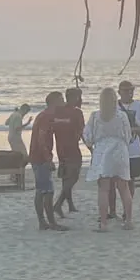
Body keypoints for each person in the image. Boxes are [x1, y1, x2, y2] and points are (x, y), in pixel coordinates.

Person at [85, 85, 134, 231]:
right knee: (124, 188)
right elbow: (128, 135)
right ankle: (129, 221)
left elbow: (88, 136)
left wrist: (93, 146)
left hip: (102, 151)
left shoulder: (95, 116)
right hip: (119, 151)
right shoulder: (121, 116)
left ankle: (104, 223)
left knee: (104, 189)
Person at [28, 92, 68, 232]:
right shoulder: (46, 117)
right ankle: (51, 222)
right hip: (40, 157)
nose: (63, 102)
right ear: (54, 101)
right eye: (61, 99)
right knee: (47, 191)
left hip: (35, 156)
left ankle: (43, 221)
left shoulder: (44, 116)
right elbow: (42, 139)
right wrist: (48, 158)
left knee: (41, 190)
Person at [54, 87, 84, 216]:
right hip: (72, 148)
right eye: (79, 97)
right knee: (74, 176)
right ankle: (59, 204)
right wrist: (91, 148)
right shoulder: (77, 113)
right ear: (75, 98)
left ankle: (70, 204)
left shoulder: (58, 111)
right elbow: (83, 132)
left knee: (66, 177)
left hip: (60, 148)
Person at [118, 81, 140, 182]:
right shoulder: (114, 107)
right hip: (117, 150)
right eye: (126, 90)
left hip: (134, 150)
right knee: (117, 180)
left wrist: (133, 129)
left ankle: (129, 198)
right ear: (119, 92)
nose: (129, 93)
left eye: (131, 90)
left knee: (131, 179)